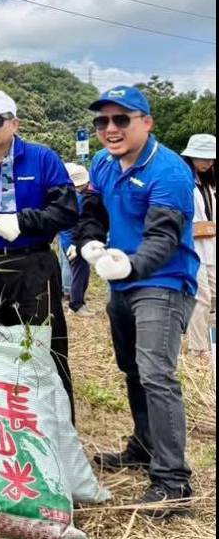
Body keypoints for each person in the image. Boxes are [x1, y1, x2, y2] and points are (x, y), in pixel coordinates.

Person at [76, 86, 199, 514]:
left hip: (163, 283)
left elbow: (164, 235)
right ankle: (144, 447)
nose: (110, 129)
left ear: (146, 122)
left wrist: (131, 265)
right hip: (121, 285)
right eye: (102, 121)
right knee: (132, 370)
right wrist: (90, 243)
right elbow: (92, 210)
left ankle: (173, 482)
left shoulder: (171, 172)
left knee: (156, 374)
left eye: (121, 120)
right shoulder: (102, 163)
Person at [0, 90, 78, 414]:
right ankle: (4, 435)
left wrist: (24, 221)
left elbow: (68, 210)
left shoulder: (42, 159)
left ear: (14, 123)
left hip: (32, 268)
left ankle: (56, 429)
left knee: (42, 352)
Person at [181, 134, 215, 357]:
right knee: (201, 297)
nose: (207, 162)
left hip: (211, 247)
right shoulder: (183, 181)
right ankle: (198, 348)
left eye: (211, 159)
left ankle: (207, 341)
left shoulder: (209, 183)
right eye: (202, 158)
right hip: (192, 248)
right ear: (191, 157)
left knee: (211, 296)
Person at [61, 163, 94, 316]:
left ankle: (75, 302)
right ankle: (76, 305)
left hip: (67, 240)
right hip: (75, 241)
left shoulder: (64, 196)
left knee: (78, 270)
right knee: (80, 272)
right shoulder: (78, 199)